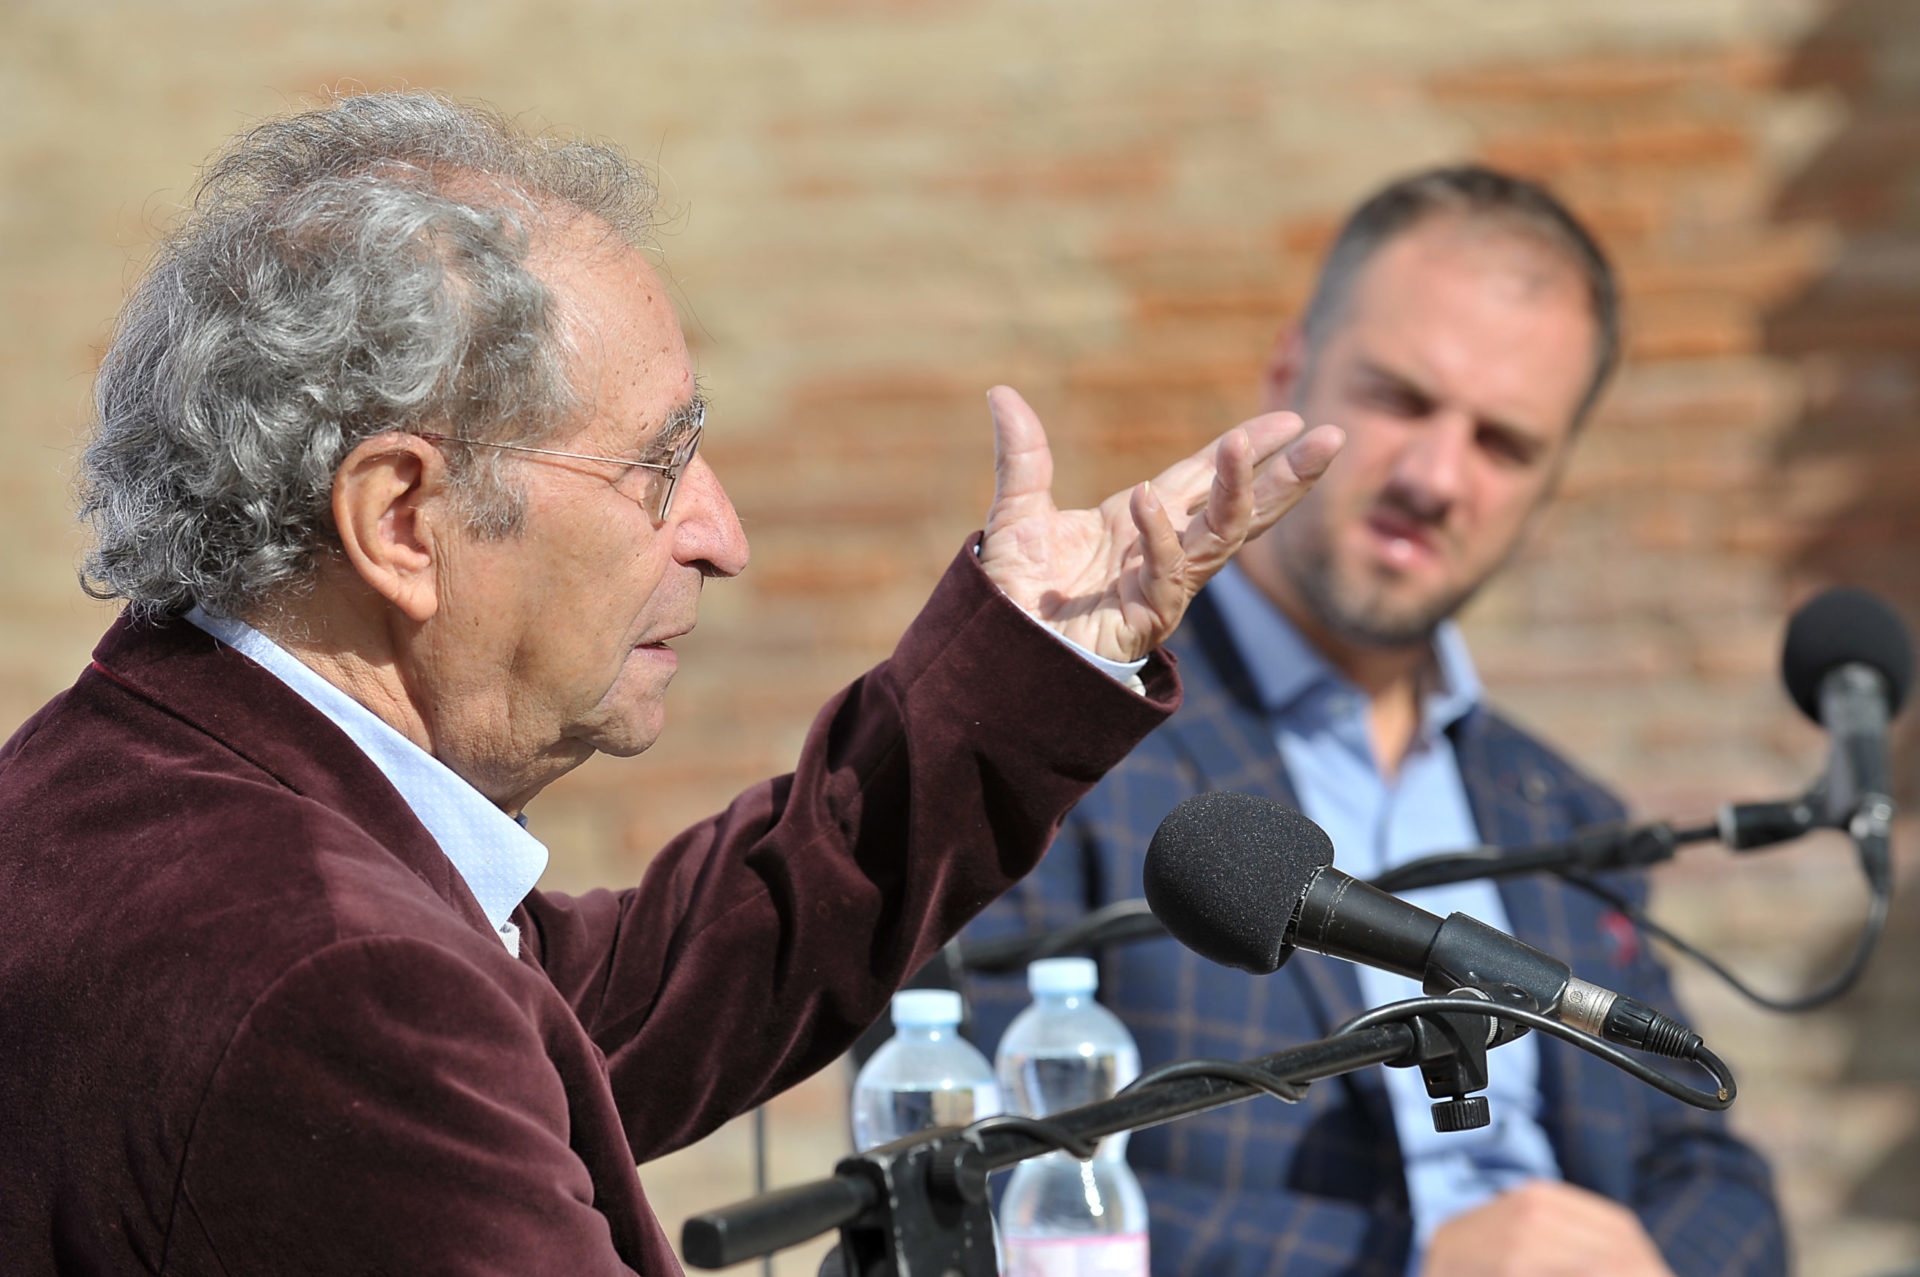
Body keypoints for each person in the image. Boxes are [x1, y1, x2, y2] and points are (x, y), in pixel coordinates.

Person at [0, 92, 1345, 1275]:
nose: (723, 534)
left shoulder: (132, 786)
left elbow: (614, 1012)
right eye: (660, 465)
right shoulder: (330, 977)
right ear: (403, 519)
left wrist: (1034, 657)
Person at [961, 166, 1788, 1277]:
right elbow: (973, 1173)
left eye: (1504, 443)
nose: (1439, 475)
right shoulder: (1073, 747)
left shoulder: (1561, 807)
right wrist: (1415, 1263)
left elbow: (1708, 1157)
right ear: (1289, 368)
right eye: (1402, 396)